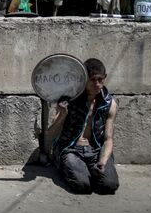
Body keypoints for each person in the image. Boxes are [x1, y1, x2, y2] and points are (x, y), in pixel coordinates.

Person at [47, 58, 119, 194]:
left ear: (105, 78)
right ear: (84, 79)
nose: (97, 84)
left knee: (109, 185)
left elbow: (108, 140)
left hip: (95, 150)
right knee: (83, 186)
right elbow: (50, 133)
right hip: (71, 149)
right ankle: (63, 163)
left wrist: (102, 162)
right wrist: (62, 114)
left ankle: (87, 169)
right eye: (92, 80)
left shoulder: (109, 104)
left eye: (100, 79)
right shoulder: (70, 100)